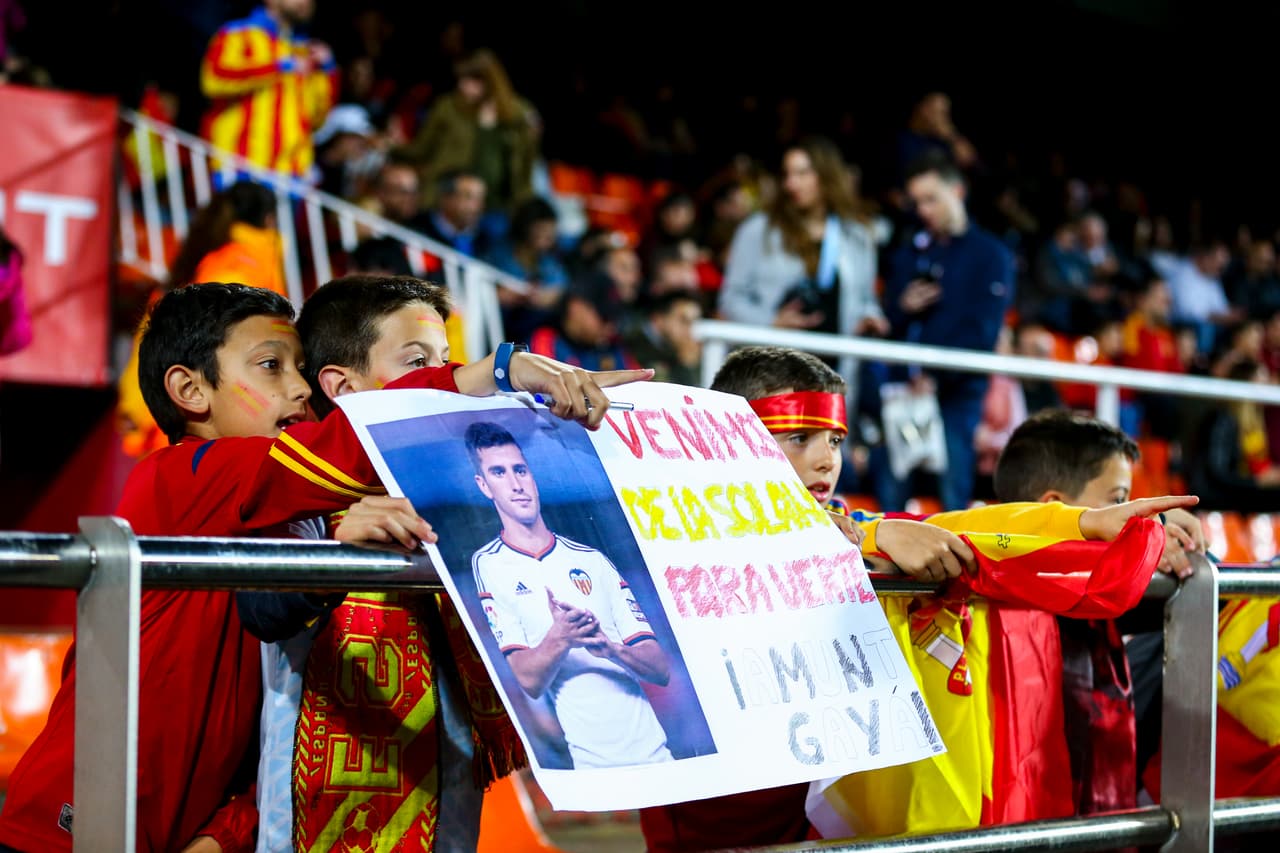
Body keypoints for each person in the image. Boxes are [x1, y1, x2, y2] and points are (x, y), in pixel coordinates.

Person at [0, 283, 650, 853]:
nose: (301, 387)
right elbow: (343, 450)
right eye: (271, 366)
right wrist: (496, 374)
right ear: (190, 390)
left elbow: (275, 724)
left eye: (300, 368)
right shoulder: (181, 477)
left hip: (194, 829)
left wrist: (226, 832)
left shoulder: (305, 515)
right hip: (74, 820)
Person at [237, 275, 517, 852]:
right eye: (420, 364)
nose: (445, 384)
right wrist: (342, 560)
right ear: (343, 387)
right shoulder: (299, 490)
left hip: (448, 802)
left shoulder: (467, 494)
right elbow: (264, 608)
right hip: (314, 813)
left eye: (448, 362)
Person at [991, 410, 1205, 817]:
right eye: (1119, 500)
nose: (1132, 514)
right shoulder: (1002, 567)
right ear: (1053, 509)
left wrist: (1161, 535)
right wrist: (1147, 538)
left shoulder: (1105, 584)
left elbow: (1193, 586)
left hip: (1099, 801)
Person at [466, 421, 673, 769]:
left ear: (532, 475)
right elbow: (528, 681)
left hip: (661, 760)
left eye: (520, 470)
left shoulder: (592, 560)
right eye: (499, 473)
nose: (516, 484)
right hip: (592, 769)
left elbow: (660, 669)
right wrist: (561, 637)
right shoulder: (489, 564)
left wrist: (609, 648)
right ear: (484, 486)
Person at [878, 152, 1016, 511]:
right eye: (917, 201)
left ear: (957, 191)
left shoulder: (991, 255)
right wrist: (902, 307)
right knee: (891, 497)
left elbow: (982, 333)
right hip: (903, 392)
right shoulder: (910, 252)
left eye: (931, 198)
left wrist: (936, 377)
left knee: (952, 494)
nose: (923, 209)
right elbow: (888, 322)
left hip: (955, 395)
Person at [117, 182, 287, 457]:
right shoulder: (241, 268)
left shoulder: (218, 261)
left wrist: (137, 404)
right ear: (269, 219)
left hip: (194, 416)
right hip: (204, 423)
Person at [719, 137, 885, 343]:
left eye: (802, 173)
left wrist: (870, 317)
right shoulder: (759, 229)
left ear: (827, 176)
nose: (791, 183)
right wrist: (770, 322)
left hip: (835, 366)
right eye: (787, 174)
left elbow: (866, 299)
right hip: (775, 362)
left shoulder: (856, 236)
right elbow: (730, 300)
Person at [200, 0, 336, 179]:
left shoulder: (305, 50)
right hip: (239, 164)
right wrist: (278, 67)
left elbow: (316, 119)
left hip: (291, 174)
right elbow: (213, 79)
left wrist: (328, 71)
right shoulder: (237, 33)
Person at [401, 48, 539, 218]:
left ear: (490, 81)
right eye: (461, 79)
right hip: (448, 200)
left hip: (497, 206)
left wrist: (523, 202)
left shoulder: (517, 114)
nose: (463, 86)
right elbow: (421, 148)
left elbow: (527, 161)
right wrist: (393, 146)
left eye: (472, 79)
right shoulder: (448, 107)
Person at [622, 290, 703, 386]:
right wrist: (685, 366)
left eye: (693, 323)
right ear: (659, 319)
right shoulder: (631, 345)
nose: (689, 331)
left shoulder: (673, 349)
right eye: (683, 321)